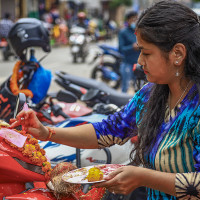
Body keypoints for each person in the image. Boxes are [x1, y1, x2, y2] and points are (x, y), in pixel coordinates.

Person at [10, 1, 200, 199]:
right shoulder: (150, 94)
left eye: (146, 53)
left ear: (177, 53)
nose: (140, 61)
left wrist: (144, 177)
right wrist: (46, 132)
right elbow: (109, 130)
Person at [118, 11, 140, 93]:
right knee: (125, 87)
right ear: (128, 20)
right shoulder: (123, 32)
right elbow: (121, 49)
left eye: (137, 19)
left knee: (138, 88)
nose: (135, 21)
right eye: (133, 19)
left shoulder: (140, 32)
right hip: (127, 63)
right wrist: (132, 47)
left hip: (139, 64)